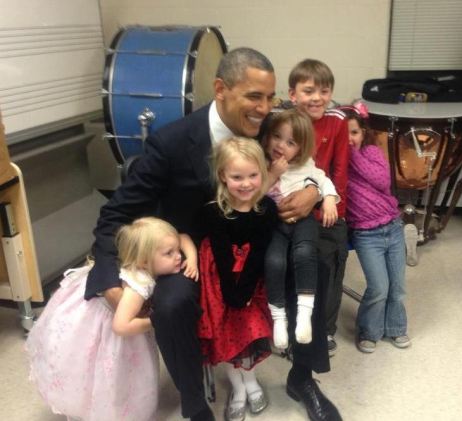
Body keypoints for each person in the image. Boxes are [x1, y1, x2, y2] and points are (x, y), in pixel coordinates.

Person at [84, 47, 276, 421]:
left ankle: (306, 372)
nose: (265, 108)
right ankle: (194, 404)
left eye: (271, 97)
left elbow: (307, 162)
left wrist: (315, 191)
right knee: (170, 306)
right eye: (254, 96)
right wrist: (108, 277)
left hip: (254, 239)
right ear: (220, 89)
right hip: (189, 253)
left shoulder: (270, 129)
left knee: (312, 253)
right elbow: (117, 213)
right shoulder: (170, 142)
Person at [26, 217, 198, 421]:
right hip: (105, 321)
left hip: (101, 309)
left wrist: (192, 259)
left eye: (177, 250)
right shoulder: (138, 286)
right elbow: (121, 325)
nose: (178, 256)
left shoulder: (147, 260)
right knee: (111, 374)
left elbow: (183, 237)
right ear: (144, 261)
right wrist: (157, 321)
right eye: (169, 253)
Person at [197, 137, 277, 421]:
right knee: (227, 337)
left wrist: (244, 291)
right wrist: (231, 292)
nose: (246, 184)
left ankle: (252, 381)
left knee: (250, 334)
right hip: (220, 284)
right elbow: (219, 252)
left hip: (251, 285)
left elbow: (258, 251)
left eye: (253, 176)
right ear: (223, 176)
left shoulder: (266, 209)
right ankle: (237, 388)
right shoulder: (214, 210)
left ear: (262, 174)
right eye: (237, 177)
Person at [262, 109, 340, 349]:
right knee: (274, 262)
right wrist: (273, 172)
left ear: (301, 148)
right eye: (276, 136)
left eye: (290, 142)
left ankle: (304, 315)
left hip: (303, 221)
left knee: (305, 254)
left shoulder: (306, 164)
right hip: (275, 223)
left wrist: (327, 199)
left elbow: (323, 179)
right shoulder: (261, 162)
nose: (280, 145)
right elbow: (254, 193)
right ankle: (278, 318)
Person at [287, 59, 349, 356]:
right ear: (292, 94)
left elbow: (339, 170)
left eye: (324, 91)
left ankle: (325, 329)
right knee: (289, 266)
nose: (317, 98)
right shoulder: (283, 122)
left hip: (327, 206)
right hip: (291, 206)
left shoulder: (336, 121)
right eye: (308, 91)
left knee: (329, 267)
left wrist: (331, 201)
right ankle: (290, 327)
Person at [343, 103, 411, 353]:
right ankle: (369, 330)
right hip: (365, 235)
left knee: (398, 287)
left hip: (392, 228)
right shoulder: (339, 166)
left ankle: (396, 327)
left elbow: (382, 181)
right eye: (344, 135)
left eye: (354, 133)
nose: (350, 139)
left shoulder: (371, 152)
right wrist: (345, 156)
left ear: (363, 132)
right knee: (379, 287)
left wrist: (353, 155)